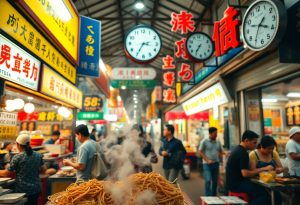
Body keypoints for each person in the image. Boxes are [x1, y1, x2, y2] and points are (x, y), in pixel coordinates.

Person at [226, 130, 274, 205]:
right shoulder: (242, 153)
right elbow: (245, 174)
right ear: (246, 140)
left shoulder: (238, 149)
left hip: (232, 183)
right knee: (266, 195)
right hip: (237, 185)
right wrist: (264, 168)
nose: (255, 145)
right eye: (254, 143)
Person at [0, 134, 46, 205]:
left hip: (22, 190)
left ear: (18, 144)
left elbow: (6, 173)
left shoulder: (17, 157)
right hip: (36, 189)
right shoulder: (38, 155)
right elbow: (44, 169)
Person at [199, 127, 223, 196]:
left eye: (216, 134)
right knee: (208, 180)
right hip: (207, 164)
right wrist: (207, 160)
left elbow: (221, 151)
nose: (216, 135)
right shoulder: (204, 141)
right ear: (210, 134)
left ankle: (213, 196)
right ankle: (208, 196)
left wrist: (223, 155)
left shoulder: (218, 141)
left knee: (215, 182)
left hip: (216, 163)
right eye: (214, 134)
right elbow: (200, 151)